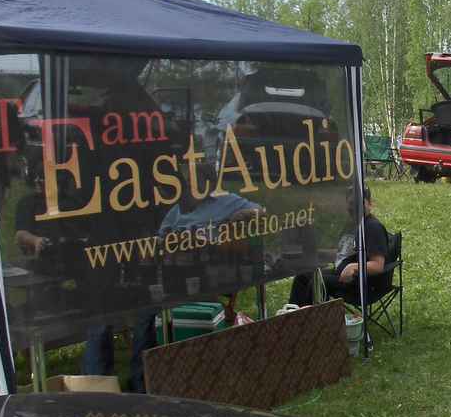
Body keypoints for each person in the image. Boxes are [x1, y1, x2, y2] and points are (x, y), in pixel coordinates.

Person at [84, 161, 261, 392]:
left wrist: (234, 221)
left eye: (194, 182)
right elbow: (160, 241)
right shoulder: (178, 209)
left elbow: (260, 211)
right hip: (172, 273)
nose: (190, 187)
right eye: (188, 182)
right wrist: (170, 244)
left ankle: (149, 380)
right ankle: (142, 382)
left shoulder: (226, 201)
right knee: (144, 311)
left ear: (209, 184)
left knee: (151, 312)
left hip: (205, 274)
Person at [288, 185, 388, 306]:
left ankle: (313, 317)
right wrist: (316, 252)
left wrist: (353, 267)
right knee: (303, 276)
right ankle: (293, 313)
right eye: (351, 203)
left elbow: (378, 265)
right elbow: (342, 253)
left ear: (370, 204)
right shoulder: (353, 224)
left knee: (318, 283)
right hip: (339, 274)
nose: (354, 207)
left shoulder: (373, 227)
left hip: (359, 282)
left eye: (359, 202)